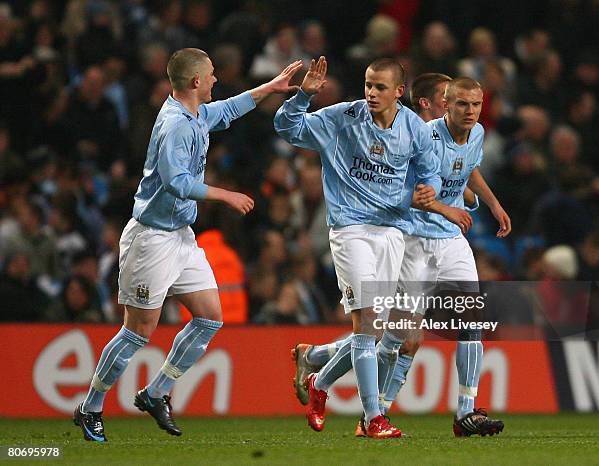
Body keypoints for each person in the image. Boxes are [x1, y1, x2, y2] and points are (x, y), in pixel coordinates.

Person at [73, 47, 302, 442]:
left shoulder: (195, 113)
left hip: (181, 236)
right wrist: (225, 195)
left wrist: (272, 87)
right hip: (152, 239)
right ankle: (90, 407)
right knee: (138, 331)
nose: (216, 79)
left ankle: (156, 391)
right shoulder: (175, 124)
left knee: (210, 316)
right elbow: (175, 181)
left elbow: (229, 109)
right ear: (196, 81)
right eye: (211, 74)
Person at [291, 75, 511, 438]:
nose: (468, 111)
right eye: (459, 104)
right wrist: (445, 207)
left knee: (472, 321)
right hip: (413, 241)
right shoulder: (422, 137)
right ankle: (323, 372)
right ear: (443, 102)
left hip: (452, 241)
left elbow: (468, 166)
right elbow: (402, 190)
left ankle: (465, 413)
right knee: (392, 335)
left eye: (475, 105)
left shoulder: (477, 135)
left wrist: (491, 202)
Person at [274, 57, 463, 438]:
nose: (371, 93)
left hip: (393, 232)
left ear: (398, 91)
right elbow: (288, 129)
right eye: (367, 85)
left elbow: (429, 171)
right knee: (365, 324)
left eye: (379, 87)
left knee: (381, 332)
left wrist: (431, 190)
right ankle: (374, 417)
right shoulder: (343, 117)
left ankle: (318, 378)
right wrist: (303, 96)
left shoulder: (413, 128)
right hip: (350, 229)